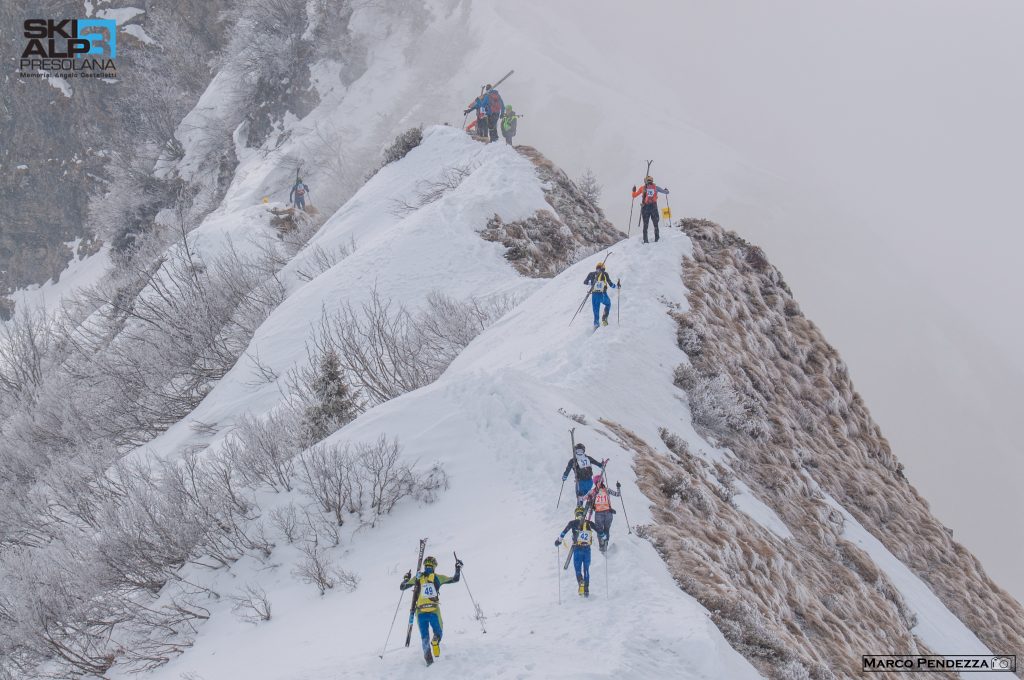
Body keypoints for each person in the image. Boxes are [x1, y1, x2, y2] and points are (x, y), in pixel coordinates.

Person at [399, 555, 463, 666]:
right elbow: (455, 579)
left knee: (424, 636)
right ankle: (436, 640)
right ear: (434, 566)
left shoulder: (418, 577)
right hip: (433, 609)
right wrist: (458, 568)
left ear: (424, 565)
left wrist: (406, 578)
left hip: (420, 611)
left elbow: (402, 587)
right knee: (439, 630)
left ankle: (429, 661)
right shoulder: (438, 577)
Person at [555, 506, 596, 597]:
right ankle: (586, 590)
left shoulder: (572, 523)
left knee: (578, 569)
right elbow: (600, 532)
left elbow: (564, 532)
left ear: (576, 514)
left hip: (577, 548)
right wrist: (604, 538)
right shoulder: (589, 523)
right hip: (587, 549)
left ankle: (580, 582)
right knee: (586, 569)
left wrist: (559, 541)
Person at [582, 474, 621, 552]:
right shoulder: (606, 490)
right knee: (605, 530)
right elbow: (618, 494)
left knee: (601, 530)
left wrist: (588, 497)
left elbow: (583, 499)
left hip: (600, 513)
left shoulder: (593, 491)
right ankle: (604, 545)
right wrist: (618, 487)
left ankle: (602, 546)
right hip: (607, 513)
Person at [630, 176, 670, 243]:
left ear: (645, 181)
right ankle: (657, 239)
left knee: (645, 225)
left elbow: (634, 196)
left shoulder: (642, 188)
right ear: (652, 181)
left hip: (645, 207)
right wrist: (666, 190)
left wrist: (633, 191)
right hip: (653, 207)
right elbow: (666, 192)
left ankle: (645, 241)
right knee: (655, 224)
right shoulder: (656, 188)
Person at [582, 261, 619, 328]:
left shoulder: (591, 274)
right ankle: (604, 318)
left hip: (594, 295)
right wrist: (617, 286)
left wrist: (592, 283)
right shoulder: (605, 274)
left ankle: (596, 324)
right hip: (602, 294)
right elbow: (610, 284)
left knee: (596, 310)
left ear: (596, 267)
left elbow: (585, 282)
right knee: (608, 304)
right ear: (603, 269)